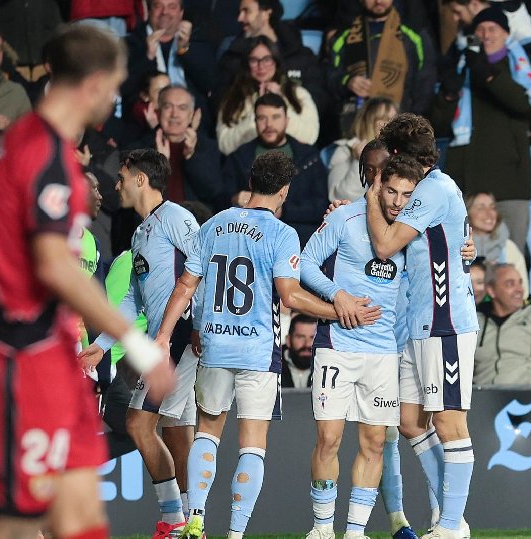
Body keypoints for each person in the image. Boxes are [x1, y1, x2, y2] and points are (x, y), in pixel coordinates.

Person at [0, 26, 173, 539]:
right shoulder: (43, 154)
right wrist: (138, 349)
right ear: (95, 82)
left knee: (81, 517)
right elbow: (54, 266)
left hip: (50, 357)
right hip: (22, 359)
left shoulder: (24, 144)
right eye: (116, 85)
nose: (116, 97)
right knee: (18, 523)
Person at [153, 151, 380, 539]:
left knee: (207, 431)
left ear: (253, 180)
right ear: (285, 191)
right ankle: (236, 534)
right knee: (252, 443)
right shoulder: (281, 233)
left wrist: (162, 335)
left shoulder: (213, 225)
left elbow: (185, 285)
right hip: (258, 351)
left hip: (215, 346)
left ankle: (195, 519)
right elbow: (289, 296)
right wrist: (336, 310)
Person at [363, 113, 477, 539]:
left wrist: (373, 195)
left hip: (444, 322)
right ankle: (453, 516)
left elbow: (385, 243)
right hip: (419, 321)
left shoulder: (434, 190)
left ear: (395, 153)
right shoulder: (435, 188)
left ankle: (450, 525)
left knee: (449, 424)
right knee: (411, 422)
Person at [78, 149, 201, 538]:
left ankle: (174, 519)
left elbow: (206, 267)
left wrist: (200, 322)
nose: (117, 185)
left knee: (137, 422)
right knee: (177, 433)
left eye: (122, 177)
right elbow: (131, 298)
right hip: (161, 339)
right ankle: (187, 521)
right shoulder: (141, 231)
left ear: (141, 180)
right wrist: (101, 343)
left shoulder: (178, 218)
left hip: (179, 334)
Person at [301, 154, 423, 539]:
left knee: (374, 442)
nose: (397, 202)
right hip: (337, 345)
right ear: (377, 183)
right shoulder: (344, 218)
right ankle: (322, 529)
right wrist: (337, 296)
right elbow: (304, 264)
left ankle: (355, 533)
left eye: (407, 194)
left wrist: (466, 248)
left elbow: (446, 257)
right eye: (391, 191)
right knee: (329, 438)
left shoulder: (412, 230)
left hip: (383, 352)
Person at [435, 8, 531, 250]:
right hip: (467, 179)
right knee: (460, 258)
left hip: (509, 183)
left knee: (511, 256)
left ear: (506, 33)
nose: (485, 34)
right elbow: (439, 122)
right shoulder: (463, 65)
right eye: (480, 29)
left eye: (492, 28)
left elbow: (523, 105)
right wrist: (449, 92)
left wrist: (487, 74)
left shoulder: (519, 65)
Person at [222, 93, 328, 246]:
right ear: (255, 121)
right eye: (262, 118)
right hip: (248, 239)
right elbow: (219, 197)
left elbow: (320, 205)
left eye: (275, 117)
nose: (269, 124)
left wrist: (284, 210)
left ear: (287, 120)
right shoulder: (239, 157)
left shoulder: (309, 156)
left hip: (299, 239)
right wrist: (234, 199)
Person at [327, 0, 437, 134]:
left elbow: (425, 84)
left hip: (401, 130)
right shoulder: (343, 37)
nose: (378, 1)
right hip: (355, 130)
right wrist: (348, 82)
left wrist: (411, 126)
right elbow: (329, 78)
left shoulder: (414, 36)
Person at [217, 0, 331, 126]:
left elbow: (318, 100)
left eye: (246, 11)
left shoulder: (301, 56)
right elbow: (220, 104)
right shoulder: (233, 59)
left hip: (297, 135)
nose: (240, 18)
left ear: (266, 13)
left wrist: (287, 98)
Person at [216, 36, 320, 155]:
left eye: (267, 59)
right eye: (254, 60)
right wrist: (256, 115)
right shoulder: (233, 98)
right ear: (247, 64)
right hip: (248, 164)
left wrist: (281, 104)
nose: (261, 66)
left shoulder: (298, 94)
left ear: (276, 61)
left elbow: (310, 136)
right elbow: (224, 145)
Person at [121, 0, 218, 119]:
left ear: (181, 12)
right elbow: (125, 89)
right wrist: (147, 57)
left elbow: (209, 83)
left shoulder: (197, 39)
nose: (165, 12)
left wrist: (184, 50)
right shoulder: (129, 44)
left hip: (191, 121)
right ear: (149, 10)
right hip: (144, 123)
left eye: (172, 7)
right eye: (158, 6)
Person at [474, 263, 531, 385]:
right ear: (491, 291)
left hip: (526, 400)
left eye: (520, 283)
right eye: (510, 284)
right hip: (482, 399)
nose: (519, 289)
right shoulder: (474, 322)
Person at [131, 85, 222, 209]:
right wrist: (160, 164)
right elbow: (134, 194)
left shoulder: (207, 147)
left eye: (182, 108)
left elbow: (212, 191)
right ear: (158, 112)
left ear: (191, 115)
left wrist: (191, 156)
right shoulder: (138, 149)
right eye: (168, 107)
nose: (174, 114)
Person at [327, 97, 397, 202]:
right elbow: (338, 197)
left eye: (394, 119)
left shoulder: (398, 152)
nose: (390, 124)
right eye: (384, 118)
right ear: (368, 121)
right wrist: (357, 162)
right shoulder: (345, 150)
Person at [466, 191, 529, 298]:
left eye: (493, 207)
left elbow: (523, 292)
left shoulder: (508, 247)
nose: (489, 213)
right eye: (481, 208)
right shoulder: (455, 246)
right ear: (467, 212)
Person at [281, 314, 317, 389]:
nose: (307, 344)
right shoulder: (272, 364)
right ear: (288, 340)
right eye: (300, 337)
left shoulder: (327, 364)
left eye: (312, 337)